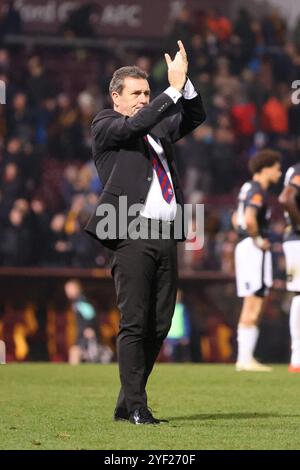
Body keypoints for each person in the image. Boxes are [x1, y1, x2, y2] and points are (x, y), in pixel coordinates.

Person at [85, 41, 206, 424]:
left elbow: (196, 114)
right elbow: (134, 125)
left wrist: (183, 85)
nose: (143, 99)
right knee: (135, 321)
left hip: (167, 233)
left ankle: (127, 401)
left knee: (161, 323)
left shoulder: (158, 129)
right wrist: (169, 92)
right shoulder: (106, 125)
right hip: (128, 229)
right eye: (136, 93)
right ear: (116, 98)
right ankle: (137, 406)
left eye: (147, 93)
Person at [232, 150, 282, 371]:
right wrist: (258, 239)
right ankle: (245, 358)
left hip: (245, 247)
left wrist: (243, 231)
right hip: (253, 248)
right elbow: (250, 219)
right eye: (277, 168)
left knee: (254, 299)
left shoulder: (246, 188)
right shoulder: (257, 191)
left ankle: (245, 357)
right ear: (267, 168)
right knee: (254, 301)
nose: (279, 173)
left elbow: (237, 217)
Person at [279, 163, 300, 372]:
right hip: (297, 239)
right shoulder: (298, 170)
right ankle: (297, 356)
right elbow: (286, 197)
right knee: (299, 293)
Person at [64, 279, 112, 365]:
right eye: (67, 289)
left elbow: (90, 315)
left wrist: (89, 328)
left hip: (87, 335)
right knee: (75, 352)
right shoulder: (77, 302)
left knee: (75, 352)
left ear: (77, 289)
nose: (67, 291)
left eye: (70, 289)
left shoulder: (81, 302)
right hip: (83, 335)